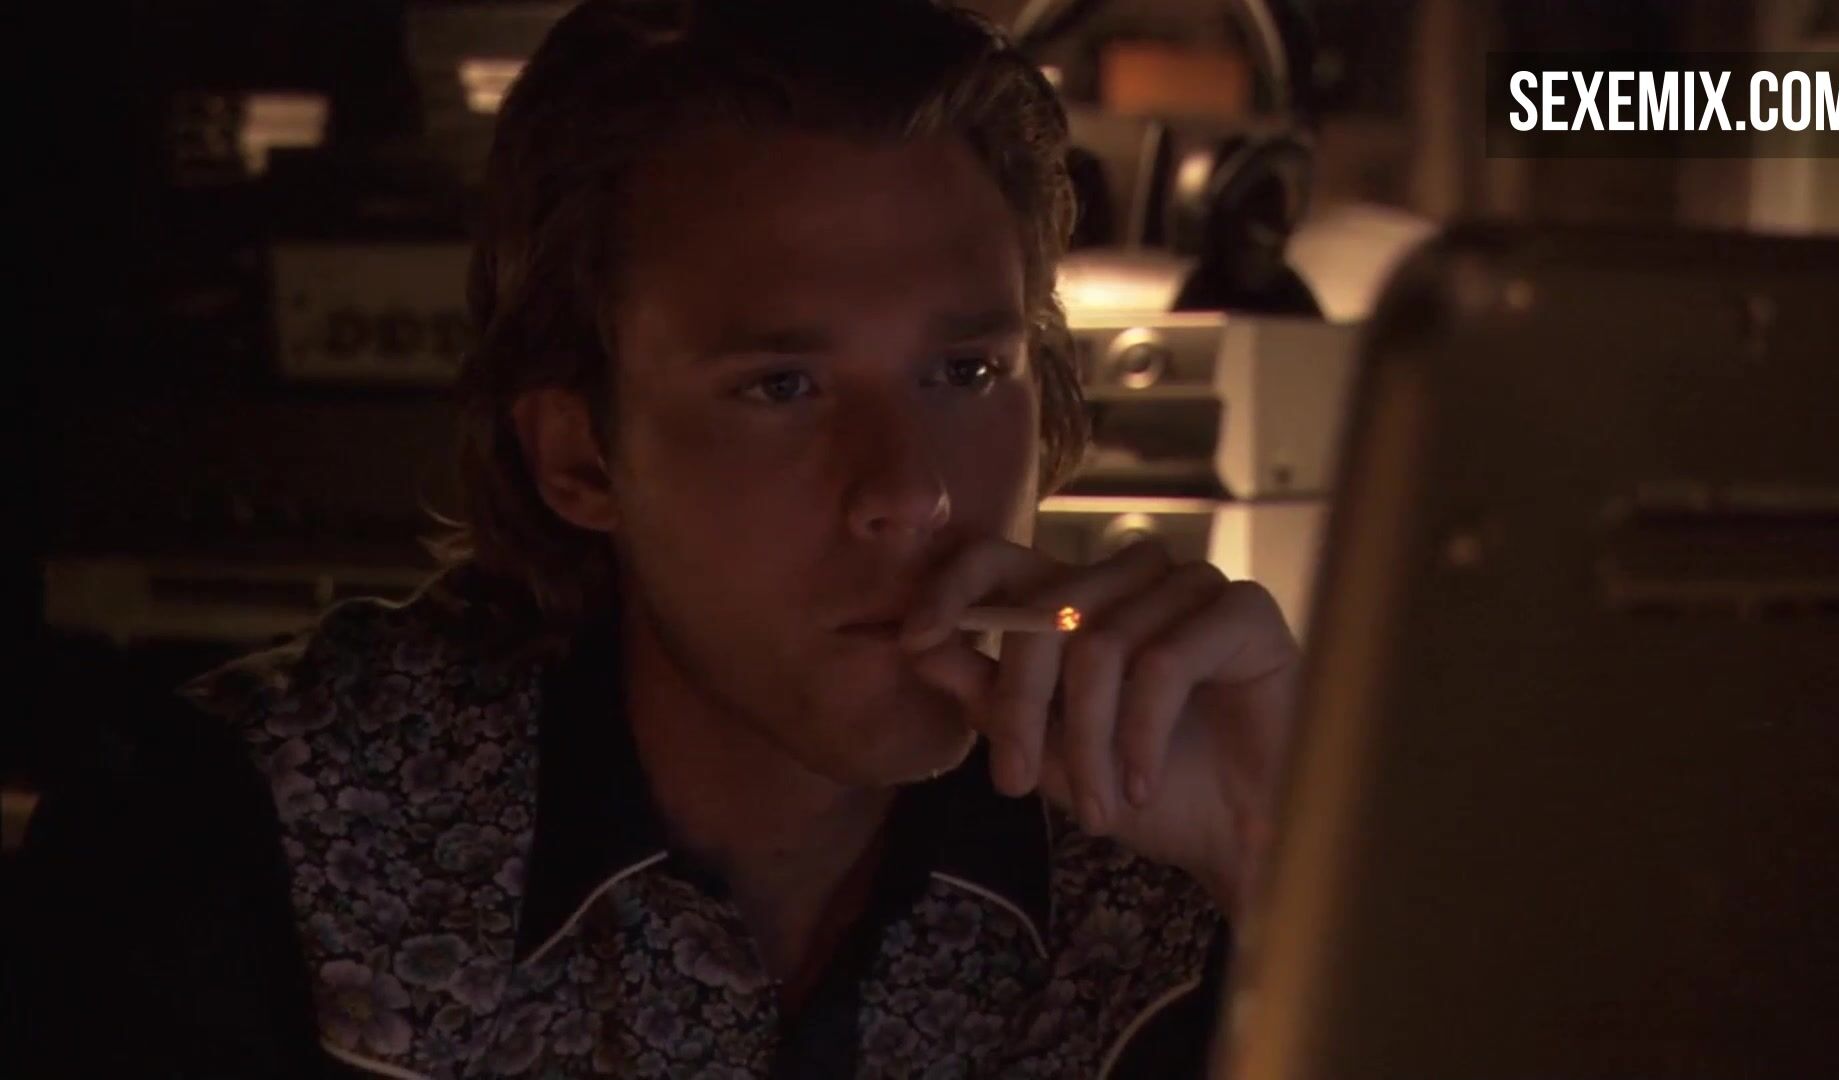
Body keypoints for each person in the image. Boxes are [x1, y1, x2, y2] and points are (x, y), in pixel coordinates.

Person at [13, 1, 1297, 1075]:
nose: (911, 494)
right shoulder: (230, 845)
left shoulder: (1170, 853)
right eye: (783, 387)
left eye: (964, 372)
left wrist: (1292, 864)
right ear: (581, 457)